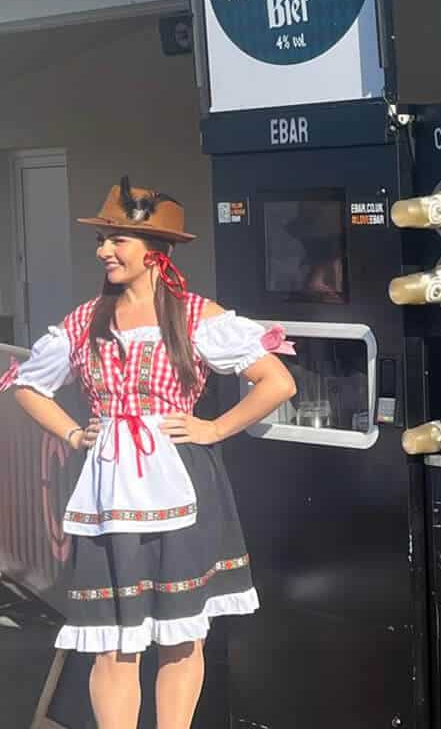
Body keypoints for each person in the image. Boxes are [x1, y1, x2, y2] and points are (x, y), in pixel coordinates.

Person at [0, 178, 296, 729]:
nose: (104, 250)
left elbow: (276, 382)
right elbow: (26, 386)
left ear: (156, 252)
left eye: (118, 239)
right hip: (108, 490)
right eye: (104, 239)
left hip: (183, 479)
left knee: (180, 636)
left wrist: (213, 428)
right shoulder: (85, 321)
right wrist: (71, 435)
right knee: (114, 639)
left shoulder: (194, 316)